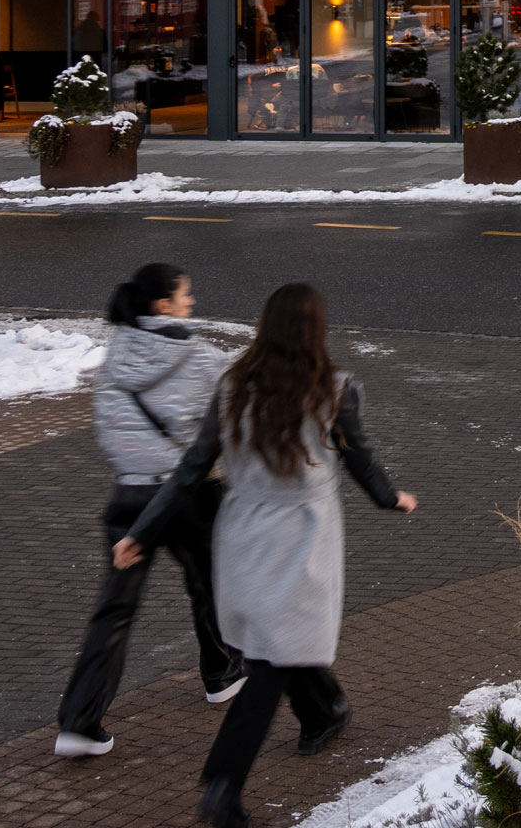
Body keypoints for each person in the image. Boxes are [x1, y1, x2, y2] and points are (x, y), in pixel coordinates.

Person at [121, 283, 416, 828]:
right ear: (316, 331)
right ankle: (223, 784)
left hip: (242, 533)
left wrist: (141, 531)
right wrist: (389, 497)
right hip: (302, 540)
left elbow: (191, 468)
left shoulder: (232, 387)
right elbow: (360, 458)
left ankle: (323, 713)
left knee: (278, 645)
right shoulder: (334, 391)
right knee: (274, 660)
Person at [55, 264, 240, 759]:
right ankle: (222, 672)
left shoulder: (116, 353)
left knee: (114, 610)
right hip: (191, 493)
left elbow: (108, 427)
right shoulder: (200, 357)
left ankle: (79, 721)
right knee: (212, 583)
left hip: (131, 496)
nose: (191, 301)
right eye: (185, 295)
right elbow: (235, 410)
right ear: (163, 305)